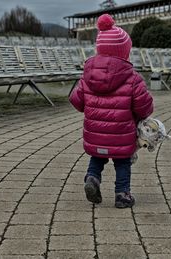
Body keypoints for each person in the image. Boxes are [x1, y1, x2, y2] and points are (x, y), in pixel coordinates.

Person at [69, 13, 153, 208]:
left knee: (97, 158)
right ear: (124, 52)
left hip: (95, 134)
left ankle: (92, 179)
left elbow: (76, 101)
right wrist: (141, 116)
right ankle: (122, 195)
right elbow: (144, 106)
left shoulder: (87, 75)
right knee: (122, 162)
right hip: (122, 134)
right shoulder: (132, 78)